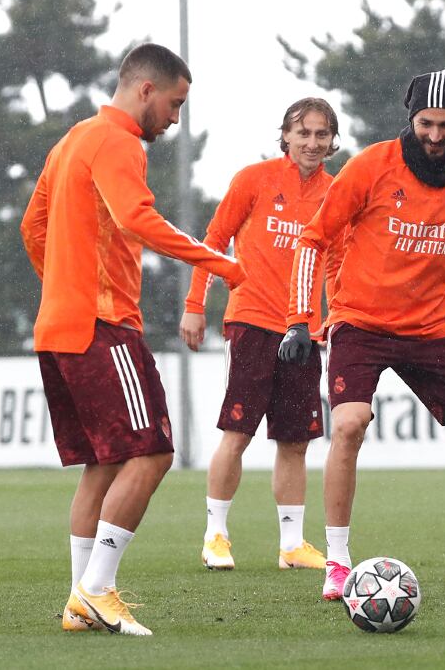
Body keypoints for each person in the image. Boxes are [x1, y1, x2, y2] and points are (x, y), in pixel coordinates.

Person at [279, 69, 445, 599]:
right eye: (426, 123)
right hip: (360, 322)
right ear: (411, 118)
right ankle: (337, 562)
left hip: (432, 331)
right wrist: (300, 320)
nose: (435, 135)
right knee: (349, 424)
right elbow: (314, 239)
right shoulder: (371, 166)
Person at [20, 43, 246, 636]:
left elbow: (32, 226)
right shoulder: (118, 141)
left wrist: (63, 284)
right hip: (102, 326)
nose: (175, 119)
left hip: (59, 326)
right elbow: (137, 219)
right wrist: (219, 264)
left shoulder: (73, 138)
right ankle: (97, 589)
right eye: (174, 104)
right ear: (146, 89)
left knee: (105, 462)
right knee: (153, 452)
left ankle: (78, 599)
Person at [180, 98, 340, 572]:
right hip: (250, 321)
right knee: (238, 431)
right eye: (303, 133)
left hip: (306, 332)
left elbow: (343, 262)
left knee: (295, 440)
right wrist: (194, 306)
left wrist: (335, 318)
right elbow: (212, 243)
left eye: (321, 134)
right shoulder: (255, 179)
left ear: (333, 140)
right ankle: (215, 536)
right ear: (286, 136)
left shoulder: (339, 191)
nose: (312, 143)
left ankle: (291, 545)